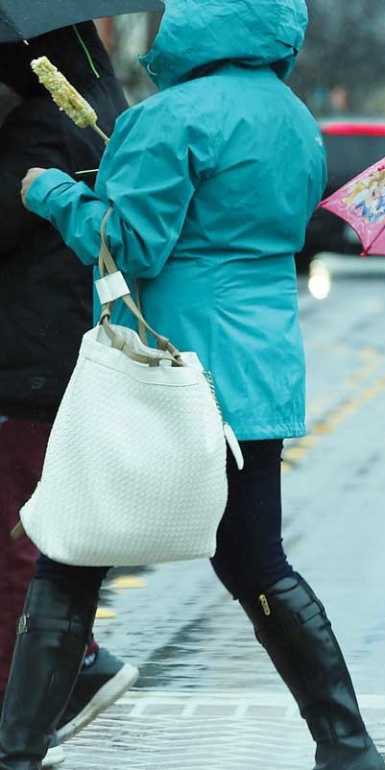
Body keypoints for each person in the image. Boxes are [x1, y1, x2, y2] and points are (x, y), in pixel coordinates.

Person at [0, 2, 385, 770]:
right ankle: (347, 745)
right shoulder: (294, 120)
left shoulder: (168, 118)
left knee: (71, 557)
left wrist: (50, 191)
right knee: (256, 563)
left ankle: (15, 751)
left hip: (165, 369)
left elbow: (127, 245)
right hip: (257, 376)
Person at [0, 23, 139, 767]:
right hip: (54, 355)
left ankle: (35, 701)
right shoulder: (98, 112)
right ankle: (67, 671)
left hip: (31, 362)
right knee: (35, 533)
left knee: (18, 540)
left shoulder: (45, 127)